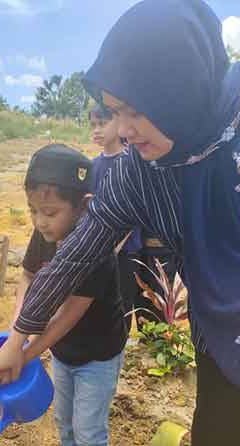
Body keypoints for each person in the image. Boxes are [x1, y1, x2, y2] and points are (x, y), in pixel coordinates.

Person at [0, 0, 240, 446]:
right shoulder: (136, 174)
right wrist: (21, 335)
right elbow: (76, 255)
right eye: (113, 112)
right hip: (221, 299)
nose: (121, 130)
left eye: (135, 110)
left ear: (178, 87)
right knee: (219, 404)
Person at [10, 144, 128, 446]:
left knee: (89, 427)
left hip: (97, 354)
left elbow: (70, 315)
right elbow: (27, 277)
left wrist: (26, 354)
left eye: (50, 212)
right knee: (64, 419)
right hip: (64, 352)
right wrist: (18, 330)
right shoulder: (44, 236)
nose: (40, 222)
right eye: (33, 211)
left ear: (82, 206)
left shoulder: (96, 249)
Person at [89, 104, 142, 332]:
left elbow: (133, 211)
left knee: (123, 302)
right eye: (93, 125)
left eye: (103, 123)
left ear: (118, 123)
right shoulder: (91, 166)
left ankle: (116, 351)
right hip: (97, 249)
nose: (97, 130)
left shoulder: (132, 163)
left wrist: (115, 247)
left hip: (125, 250)